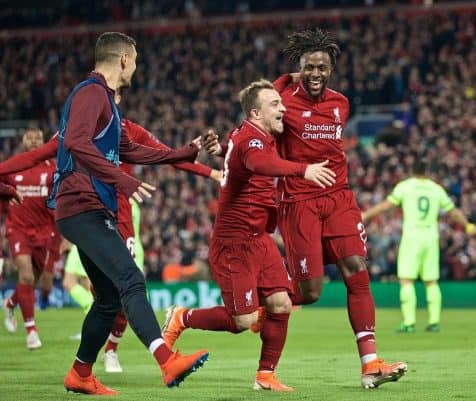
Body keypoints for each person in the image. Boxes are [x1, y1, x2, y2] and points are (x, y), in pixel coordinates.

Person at [206, 29, 407, 389]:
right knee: (310, 291)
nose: (316, 73)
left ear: (331, 70)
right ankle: (262, 310)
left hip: (339, 196)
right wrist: (224, 149)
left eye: (322, 67)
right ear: (299, 70)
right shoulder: (281, 100)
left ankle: (370, 364)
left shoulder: (341, 104)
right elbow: (253, 133)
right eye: (309, 66)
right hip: (298, 201)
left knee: (356, 270)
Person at [0, 95, 221, 373]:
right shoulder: (73, 131)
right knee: (107, 286)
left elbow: (164, 155)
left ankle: (101, 358)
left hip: (118, 216)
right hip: (84, 214)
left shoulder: (127, 129)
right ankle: (160, 360)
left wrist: (210, 172)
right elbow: (36, 155)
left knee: (113, 293)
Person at [50, 32, 209, 395]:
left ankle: (80, 374)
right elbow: (76, 141)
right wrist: (120, 179)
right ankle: (168, 362)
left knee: (107, 298)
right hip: (82, 204)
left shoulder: (105, 101)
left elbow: (131, 150)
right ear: (123, 59)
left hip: (87, 206)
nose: (136, 67)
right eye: (135, 60)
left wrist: (179, 154)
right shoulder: (91, 92)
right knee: (131, 280)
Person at [162, 79, 336, 392]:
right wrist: (302, 169)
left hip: (259, 239)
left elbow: (239, 153)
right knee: (242, 321)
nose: (283, 108)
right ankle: (182, 317)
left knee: (281, 304)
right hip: (234, 243)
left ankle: (265, 375)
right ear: (256, 113)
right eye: (275, 105)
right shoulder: (252, 141)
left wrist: (222, 150)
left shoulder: (247, 135)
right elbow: (257, 162)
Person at [362, 160, 476, 332]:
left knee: (406, 280)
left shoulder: (406, 186)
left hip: (412, 237)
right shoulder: (436, 188)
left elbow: (387, 206)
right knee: (431, 282)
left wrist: (366, 214)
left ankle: (409, 323)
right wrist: (467, 225)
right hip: (431, 237)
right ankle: (434, 321)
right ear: (427, 171)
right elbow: (452, 212)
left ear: (412, 171)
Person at [1, 128, 65, 350]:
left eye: (38, 137)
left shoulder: (53, 169)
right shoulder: (13, 167)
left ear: (45, 141)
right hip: (18, 229)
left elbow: (60, 199)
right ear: (23, 141)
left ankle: (10, 303)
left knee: (33, 281)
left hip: (44, 232)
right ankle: (31, 330)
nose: (35, 141)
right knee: (26, 276)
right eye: (30, 137)